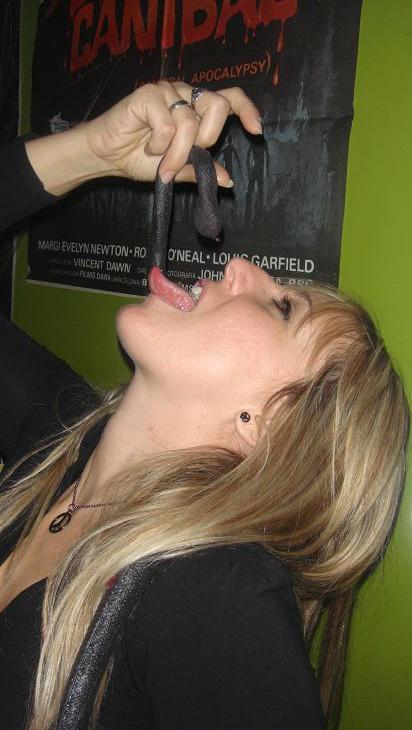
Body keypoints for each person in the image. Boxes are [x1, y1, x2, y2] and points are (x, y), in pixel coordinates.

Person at [0, 81, 409, 730]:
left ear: (267, 426)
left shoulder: (214, 593)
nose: (240, 264)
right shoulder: (57, 439)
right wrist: (91, 153)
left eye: (283, 308)